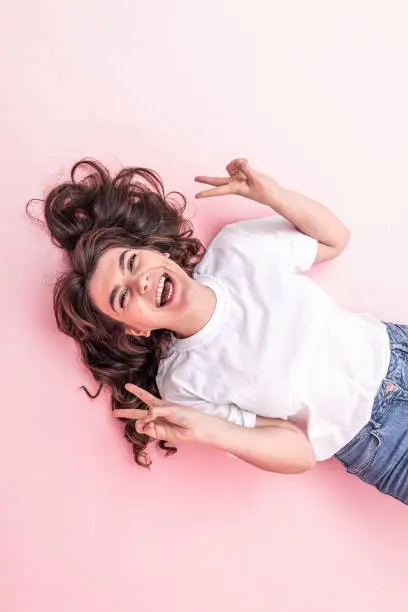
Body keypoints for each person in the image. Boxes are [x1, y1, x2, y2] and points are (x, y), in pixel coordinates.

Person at [35, 157, 408, 504]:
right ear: (134, 329)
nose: (140, 283)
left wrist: (275, 196)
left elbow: (333, 239)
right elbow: (300, 452)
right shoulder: (181, 385)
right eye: (122, 297)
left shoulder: (237, 248)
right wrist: (208, 431)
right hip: (382, 443)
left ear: (156, 252)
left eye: (131, 263)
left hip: (394, 349)